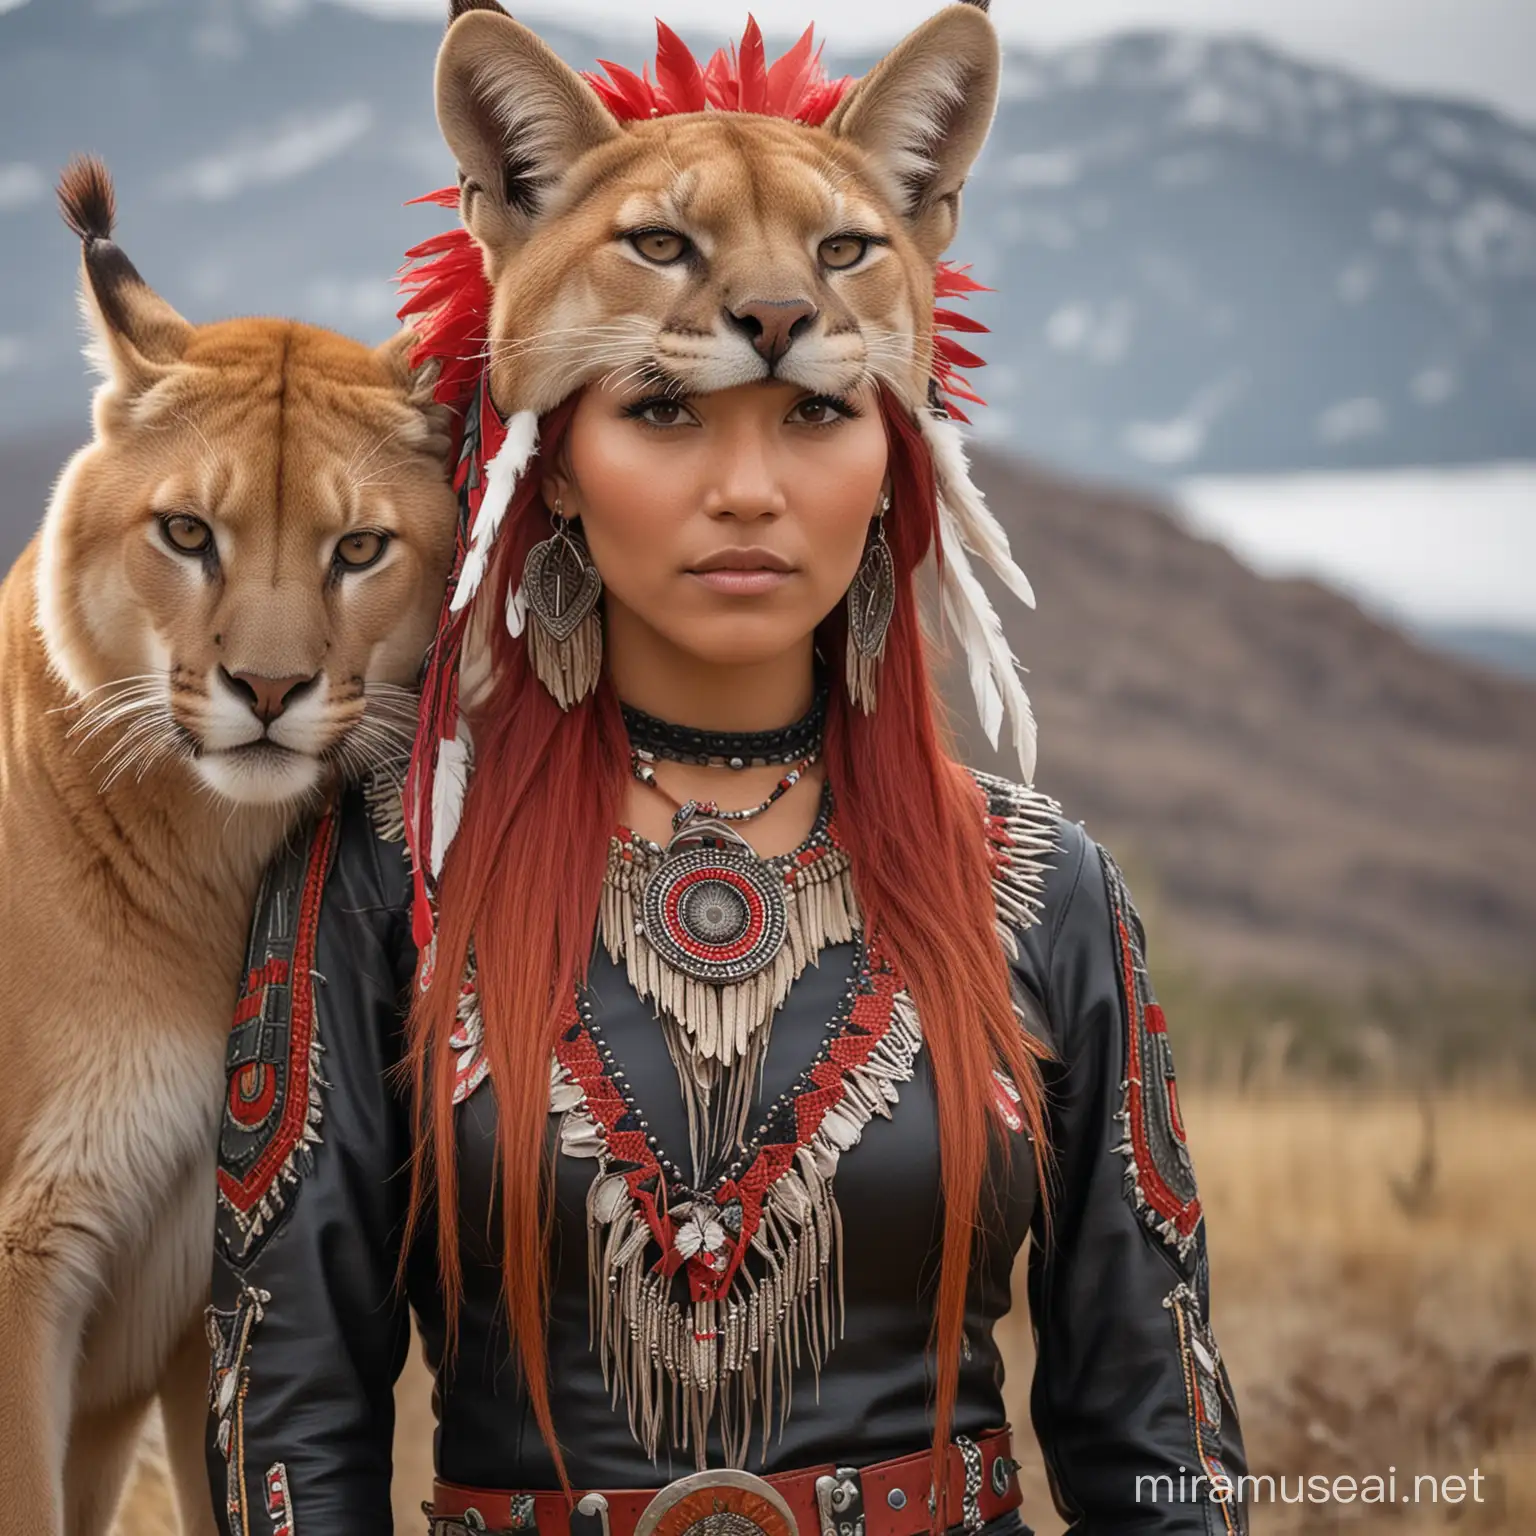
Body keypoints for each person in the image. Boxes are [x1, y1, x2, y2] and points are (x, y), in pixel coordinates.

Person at [204, 5, 1248, 1535]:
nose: (749, 488)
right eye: (666, 411)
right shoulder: (385, 874)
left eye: (819, 412)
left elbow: (1156, 1435)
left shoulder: (1041, 890)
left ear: (898, 444)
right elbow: (286, 1419)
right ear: (548, 452)